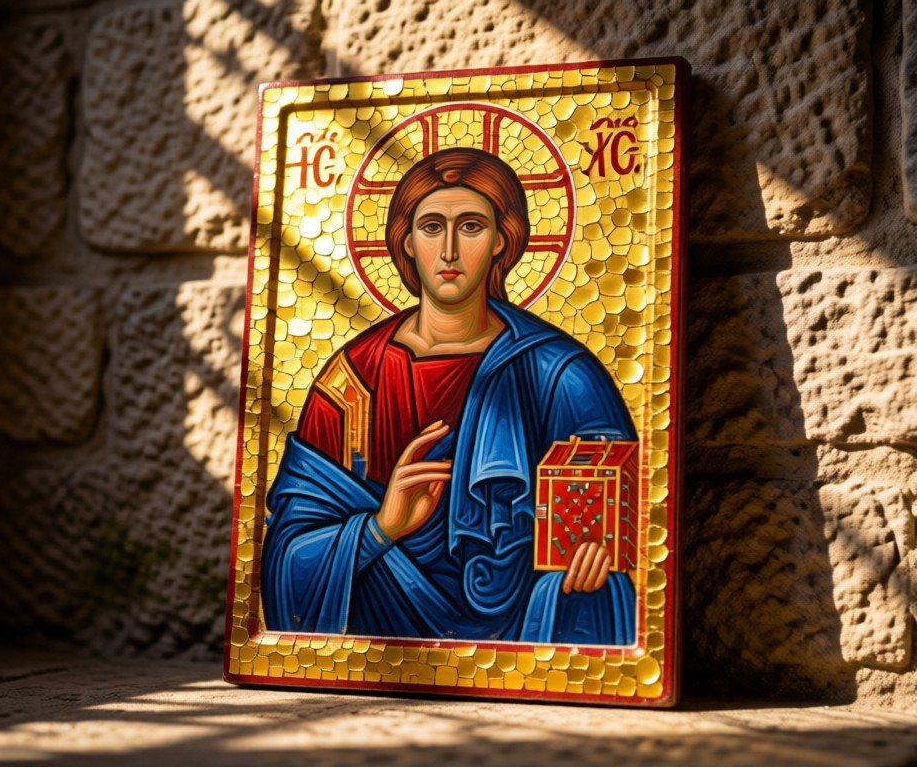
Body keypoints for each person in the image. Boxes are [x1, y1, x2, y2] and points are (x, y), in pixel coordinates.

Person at [261, 147, 637, 644]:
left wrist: (601, 547)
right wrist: (380, 528)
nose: (450, 252)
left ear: (504, 240)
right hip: (379, 631)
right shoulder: (354, 378)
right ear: (408, 242)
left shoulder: (557, 372)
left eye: (472, 227)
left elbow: (625, 506)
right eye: (432, 227)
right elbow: (287, 551)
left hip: (527, 625)